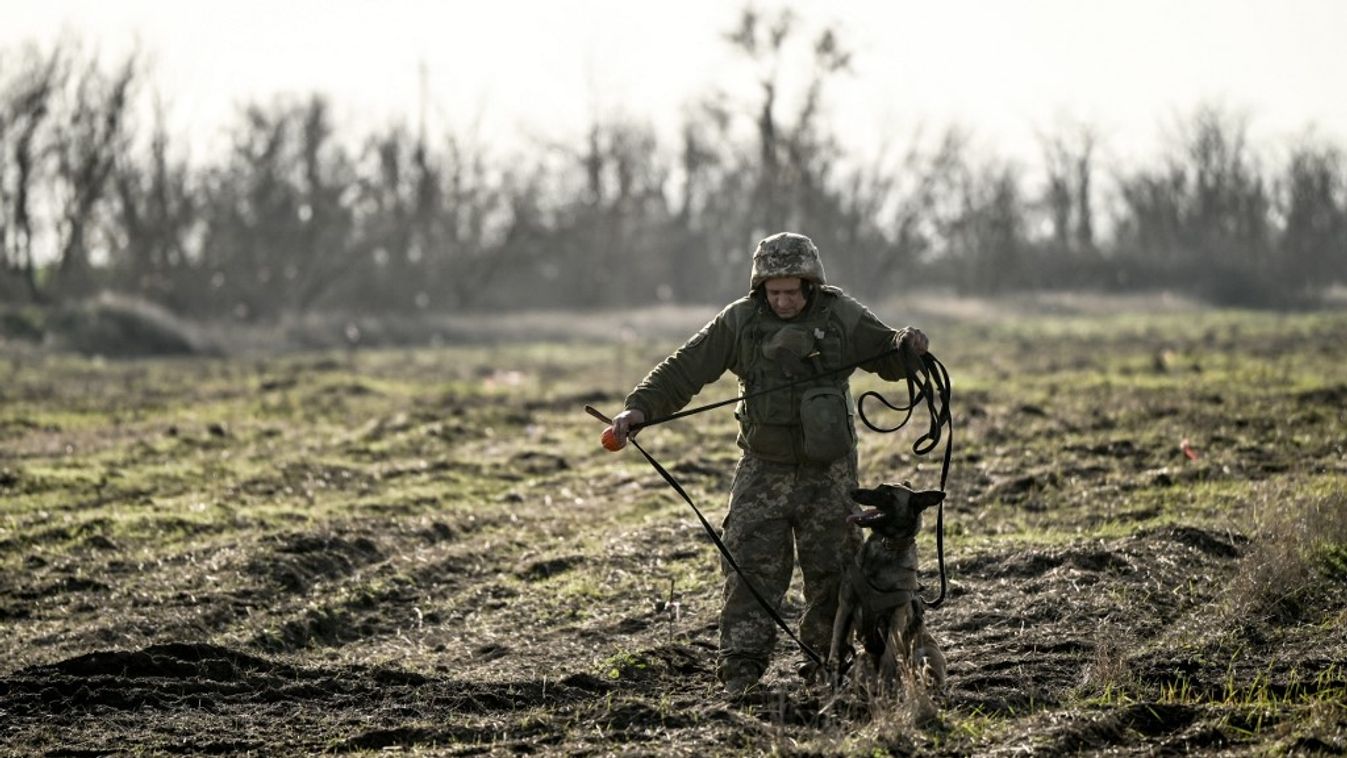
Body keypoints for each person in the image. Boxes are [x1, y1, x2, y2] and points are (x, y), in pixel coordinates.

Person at [609, 231, 930, 696]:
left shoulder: (841, 316)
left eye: (791, 291)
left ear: (810, 285)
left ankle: (826, 668)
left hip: (831, 472)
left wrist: (908, 345)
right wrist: (639, 409)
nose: (782, 300)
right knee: (749, 565)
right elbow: (686, 367)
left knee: (834, 572)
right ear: (760, 287)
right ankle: (740, 672)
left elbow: (889, 353)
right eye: (773, 291)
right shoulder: (739, 322)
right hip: (763, 468)